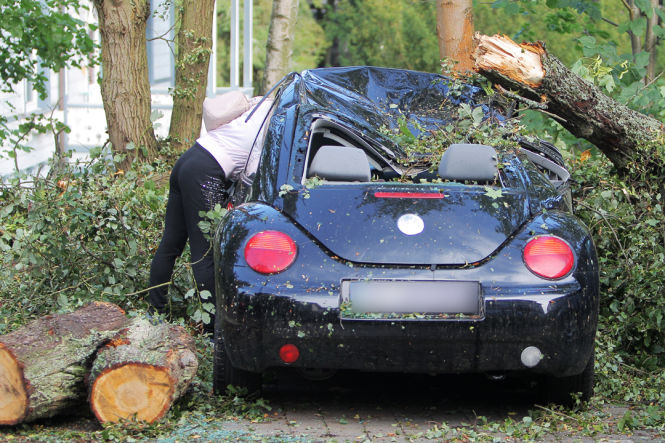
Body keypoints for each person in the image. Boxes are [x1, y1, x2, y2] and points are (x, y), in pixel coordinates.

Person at [148, 92, 273, 333]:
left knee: (170, 244)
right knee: (205, 251)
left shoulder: (259, 105)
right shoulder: (270, 127)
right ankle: (212, 330)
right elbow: (251, 176)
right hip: (206, 171)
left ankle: (155, 314)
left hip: (190, 158)